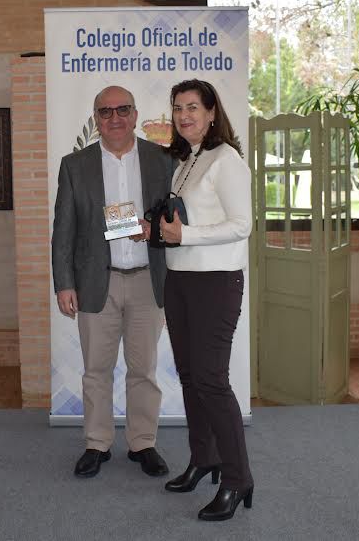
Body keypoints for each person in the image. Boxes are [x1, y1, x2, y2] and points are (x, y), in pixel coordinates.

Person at [52, 85, 174, 479]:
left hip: (147, 281)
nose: (115, 118)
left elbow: (178, 220)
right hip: (94, 283)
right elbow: (63, 231)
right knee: (96, 370)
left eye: (123, 110)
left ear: (136, 115)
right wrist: (64, 283)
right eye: (106, 112)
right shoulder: (74, 165)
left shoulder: (163, 161)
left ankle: (143, 443)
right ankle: (97, 443)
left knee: (144, 370)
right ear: (96, 119)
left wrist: (151, 230)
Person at [159, 79, 253, 521]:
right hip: (179, 281)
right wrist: (158, 230)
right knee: (190, 376)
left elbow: (242, 224)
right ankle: (204, 459)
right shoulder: (185, 161)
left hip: (216, 283)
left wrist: (187, 234)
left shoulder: (226, 159)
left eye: (193, 107)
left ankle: (238, 480)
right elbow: (184, 218)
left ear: (213, 112)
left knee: (212, 380)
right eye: (178, 108)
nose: (184, 115)